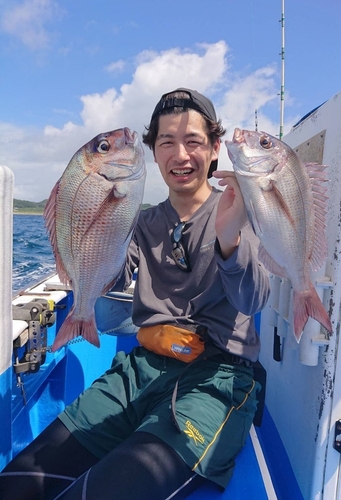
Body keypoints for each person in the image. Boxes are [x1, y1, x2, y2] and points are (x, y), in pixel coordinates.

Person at [0, 88, 270, 500]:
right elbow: (112, 282)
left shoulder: (236, 207)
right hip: (140, 370)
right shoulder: (143, 221)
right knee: (17, 484)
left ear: (216, 149)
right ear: (154, 153)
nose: (181, 155)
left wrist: (229, 239)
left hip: (217, 380)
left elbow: (253, 300)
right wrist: (86, 230)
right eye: (167, 142)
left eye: (194, 142)